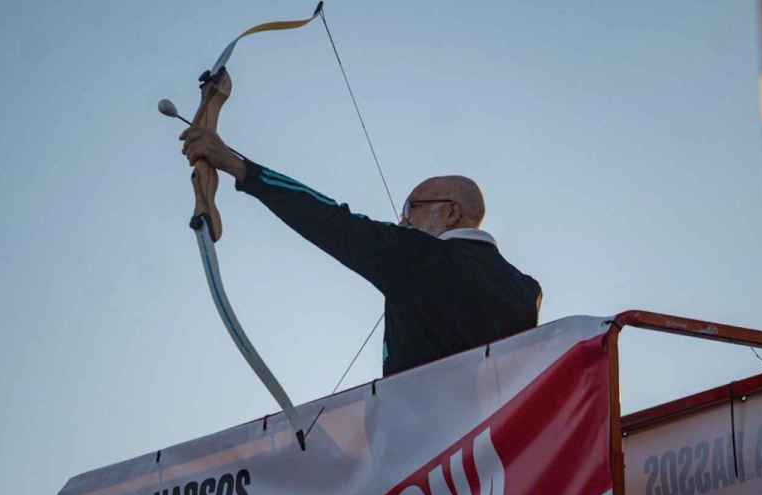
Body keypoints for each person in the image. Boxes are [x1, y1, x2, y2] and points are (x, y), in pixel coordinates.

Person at [180, 127, 542, 377]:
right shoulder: (527, 291)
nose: (402, 222)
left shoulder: (421, 258)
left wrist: (235, 165)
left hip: (418, 459)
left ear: (449, 211)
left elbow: (332, 220)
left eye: (410, 208)